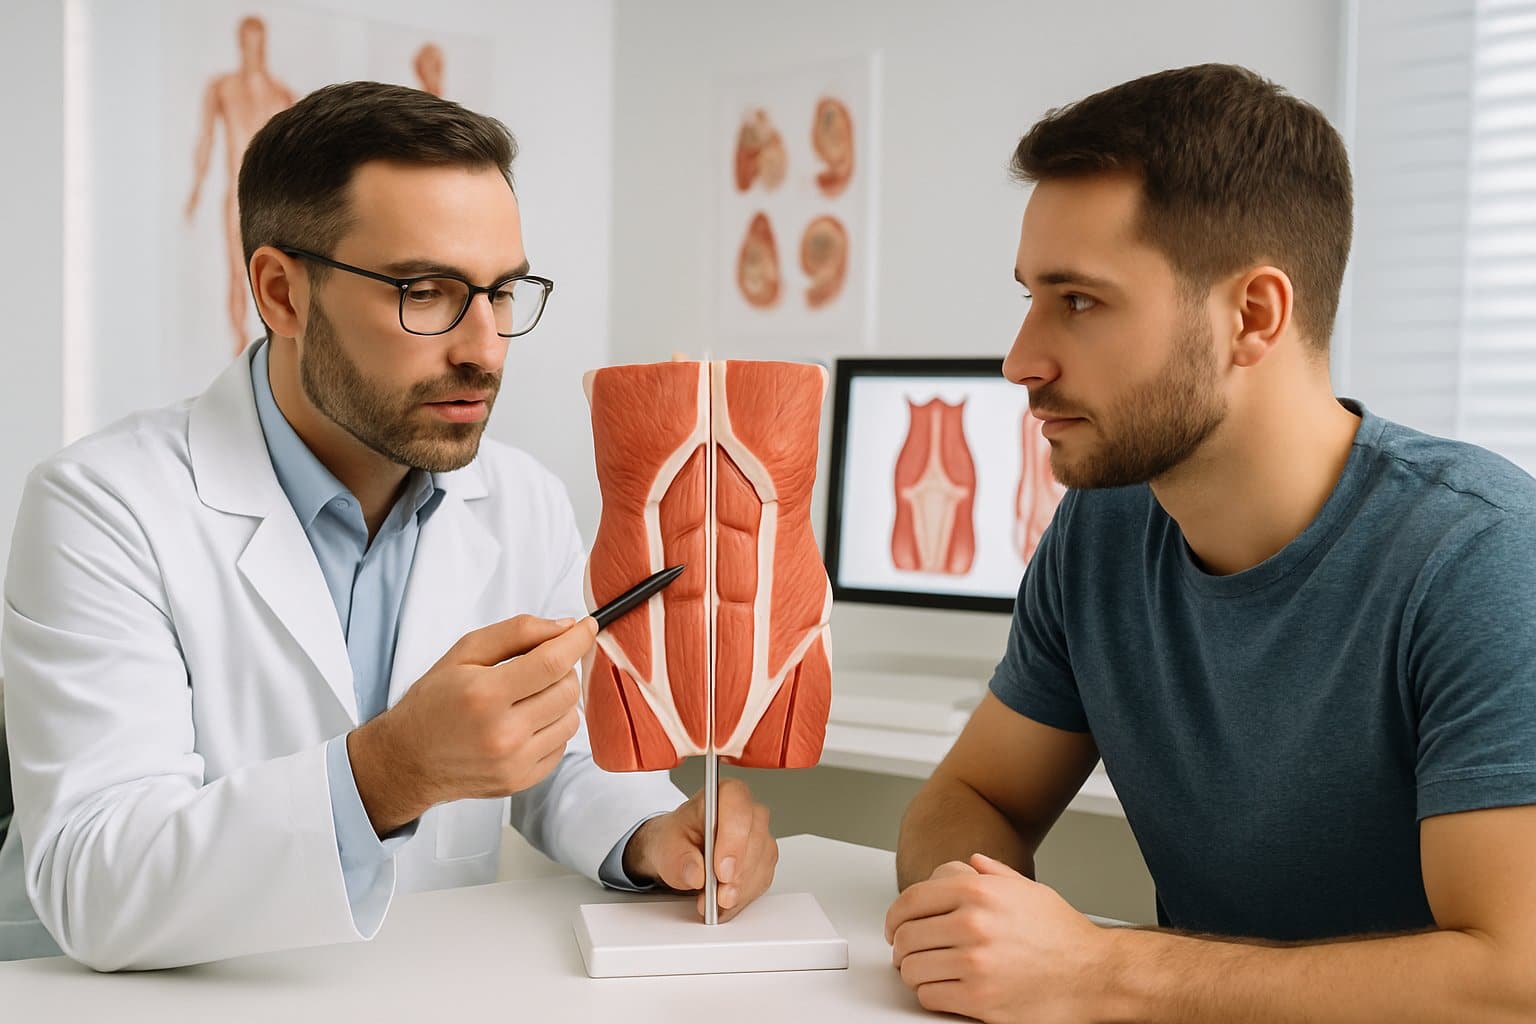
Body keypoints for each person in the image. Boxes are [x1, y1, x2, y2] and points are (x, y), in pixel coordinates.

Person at [0, 81, 776, 970]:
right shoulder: (103, 508)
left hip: (406, 985)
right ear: (282, 293)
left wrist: (650, 835)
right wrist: (390, 774)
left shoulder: (521, 500)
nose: (484, 347)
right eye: (426, 291)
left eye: (502, 293)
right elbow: (99, 882)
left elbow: (560, 756)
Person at [886, 63, 1536, 1022]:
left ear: (1253, 316)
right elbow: (973, 794)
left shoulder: (1482, 556)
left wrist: (1098, 972)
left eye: (1078, 301)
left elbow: (1511, 979)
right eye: (1030, 296)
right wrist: (977, 921)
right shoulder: (1104, 528)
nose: (1021, 360)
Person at [184, 15, 296, 356]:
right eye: (247, 41)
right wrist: (195, 190)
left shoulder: (282, 95)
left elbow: (296, 157)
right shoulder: (223, 88)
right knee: (238, 270)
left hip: (275, 200)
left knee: (277, 273)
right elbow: (205, 140)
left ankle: (269, 352)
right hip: (235, 196)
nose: (252, 48)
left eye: (256, 41)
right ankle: (237, 344)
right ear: (240, 42)